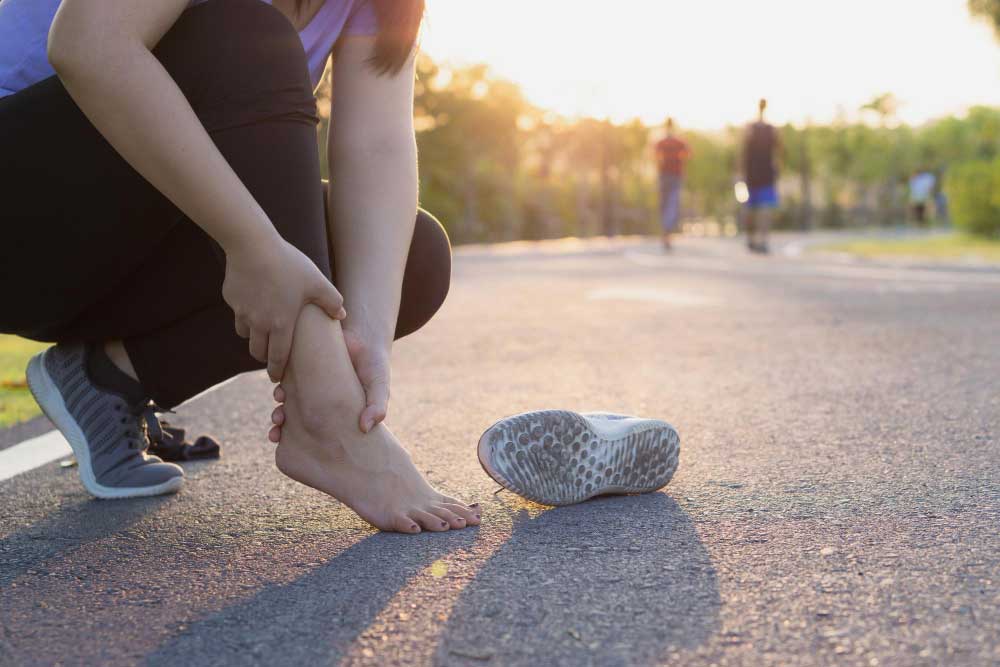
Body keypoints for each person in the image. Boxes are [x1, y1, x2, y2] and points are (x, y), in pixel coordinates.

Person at [0, 0, 481, 534]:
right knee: (245, 29)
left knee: (410, 259)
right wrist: (251, 245)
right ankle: (328, 425)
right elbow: (87, 43)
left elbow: (378, 146)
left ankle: (109, 376)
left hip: (109, 245)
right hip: (19, 219)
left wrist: (363, 340)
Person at [742, 98, 781, 253]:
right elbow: (778, 153)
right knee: (757, 209)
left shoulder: (755, 128)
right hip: (757, 174)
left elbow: (777, 152)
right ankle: (757, 239)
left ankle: (758, 240)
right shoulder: (768, 129)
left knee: (759, 208)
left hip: (758, 174)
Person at [653, 118, 691, 250]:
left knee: (665, 205)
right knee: (671, 205)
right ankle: (667, 234)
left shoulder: (661, 141)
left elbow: (656, 156)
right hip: (674, 176)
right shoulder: (679, 141)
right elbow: (688, 154)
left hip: (664, 176)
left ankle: (666, 234)